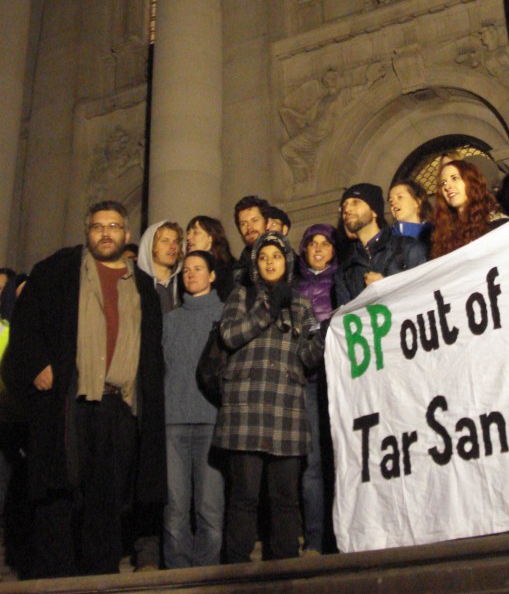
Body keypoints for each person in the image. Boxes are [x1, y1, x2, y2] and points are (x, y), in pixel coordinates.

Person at [4, 201, 165, 577]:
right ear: (87, 232)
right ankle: (56, 578)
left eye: (114, 226)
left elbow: (152, 352)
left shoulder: (142, 286)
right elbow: (26, 326)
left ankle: (100, 575)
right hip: (70, 401)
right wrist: (36, 364)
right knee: (59, 493)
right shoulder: (58, 272)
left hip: (119, 407)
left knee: (107, 500)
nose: (106, 233)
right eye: (98, 226)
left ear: (127, 235)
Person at [215, 231, 325, 562]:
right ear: (255, 264)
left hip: (285, 410)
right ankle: (235, 570)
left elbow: (306, 358)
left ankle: (284, 571)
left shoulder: (301, 303)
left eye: (276, 256)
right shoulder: (242, 295)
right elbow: (230, 335)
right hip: (245, 409)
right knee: (244, 497)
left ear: (287, 262)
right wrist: (267, 310)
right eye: (263, 257)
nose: (270, 262)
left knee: (285, 499)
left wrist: (324, 338)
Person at [162, 250, 225, 569]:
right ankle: (177, 573)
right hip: (174, 420)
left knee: (209, 505)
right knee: (175, 504)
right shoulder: (170, 320)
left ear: (212, 275)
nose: (191, 274)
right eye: (186, 270)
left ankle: (207, 573)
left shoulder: (226, 315)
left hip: (211, 419)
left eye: (198, 269)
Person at [294, 224, 338, 555]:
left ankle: (340, 537)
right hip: (306, 381)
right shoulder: (293, 288)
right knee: (311, 466)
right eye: (313, 244)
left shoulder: (342, 281)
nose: (319, 248)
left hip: (338, 379)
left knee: (340, 458)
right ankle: (314, 538)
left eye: (325, 243)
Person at [335, 183, 428, 305]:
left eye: (355, 202)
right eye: (344, 205)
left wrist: (387, 289)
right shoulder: (345, 270)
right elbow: (347, 314)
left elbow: (427, 297)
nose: (347, 210)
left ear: (374, 211)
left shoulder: (409, 249)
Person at [430, 159, 503, 259]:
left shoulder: (496, 223)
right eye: (443, 183)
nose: (447, 187)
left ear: (471, 181)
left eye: (454, 178)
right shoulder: (444, 233)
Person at [137, 220, 184, 313]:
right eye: (165, 241)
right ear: (151, 245)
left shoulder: (184, 283)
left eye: (175, 242)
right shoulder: (137, 286)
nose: (173, 246)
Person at [185, 215, 235, 301]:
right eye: (188, 233)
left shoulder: (228, 269)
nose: (188, 238)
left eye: (195, 233)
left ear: (211, 237)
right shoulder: (184, 269)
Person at [232, 195, 271, 284]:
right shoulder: (238, 273)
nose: (249, 227)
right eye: (243, 224)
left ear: (267, 222)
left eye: (255, 220)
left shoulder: (290, 261)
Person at [388, 178, 433, 252]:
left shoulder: (434, 234)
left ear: (417, 202)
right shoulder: (387, 239)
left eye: (400, 197)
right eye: (391, 201)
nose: (393, 203)